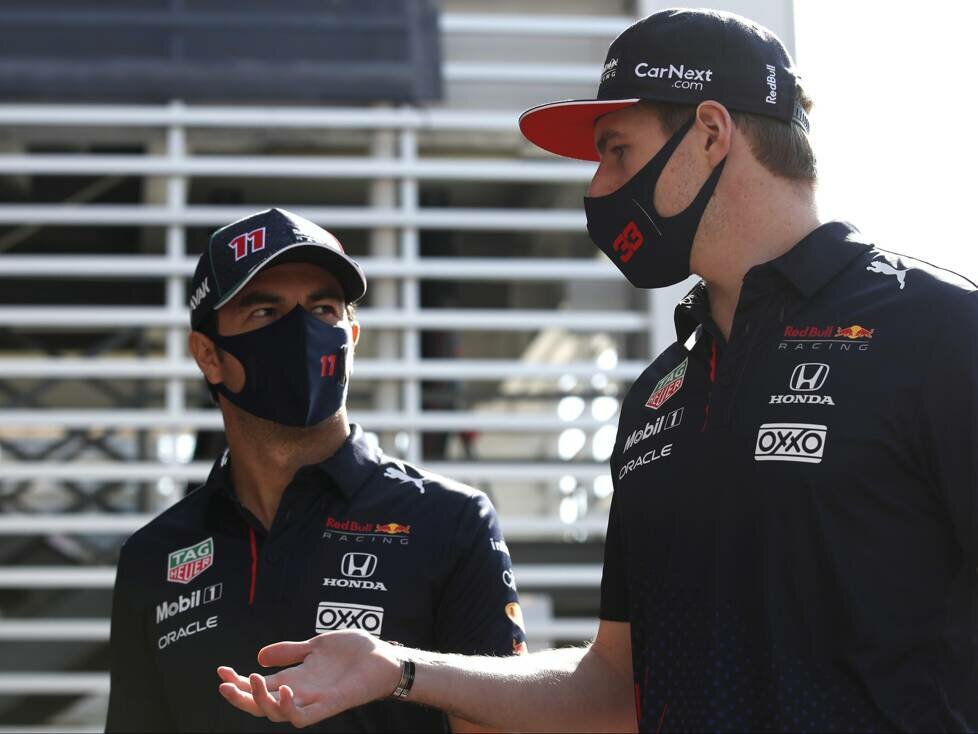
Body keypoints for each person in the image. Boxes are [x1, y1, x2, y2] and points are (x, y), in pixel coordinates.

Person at [215, 9, 978, 732]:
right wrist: (399, 668)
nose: (597, 190)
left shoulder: (940, 332)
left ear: (710, 133)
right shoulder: (659, 397)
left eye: (618, 152)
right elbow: (615, 688)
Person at [105, 208, 527, 732]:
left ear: (351, 336)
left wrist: (401, 673)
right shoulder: (154, 554)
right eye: (265, 312)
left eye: (323, 309)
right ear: (208, 355)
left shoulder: (450, 520)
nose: (302, 331)